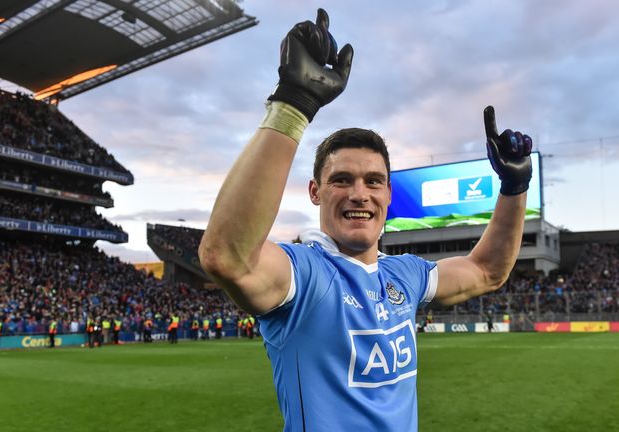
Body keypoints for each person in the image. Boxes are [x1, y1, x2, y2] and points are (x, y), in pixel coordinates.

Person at [199, 9, 532, 431]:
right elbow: (227, 257)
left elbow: (487, 271)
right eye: (342, 180)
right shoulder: (304, 276)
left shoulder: (405, 275)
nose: (360, 193)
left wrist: (514, 188)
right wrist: (293, 105)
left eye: (374, 181)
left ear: (388, 196)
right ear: (315, 192)